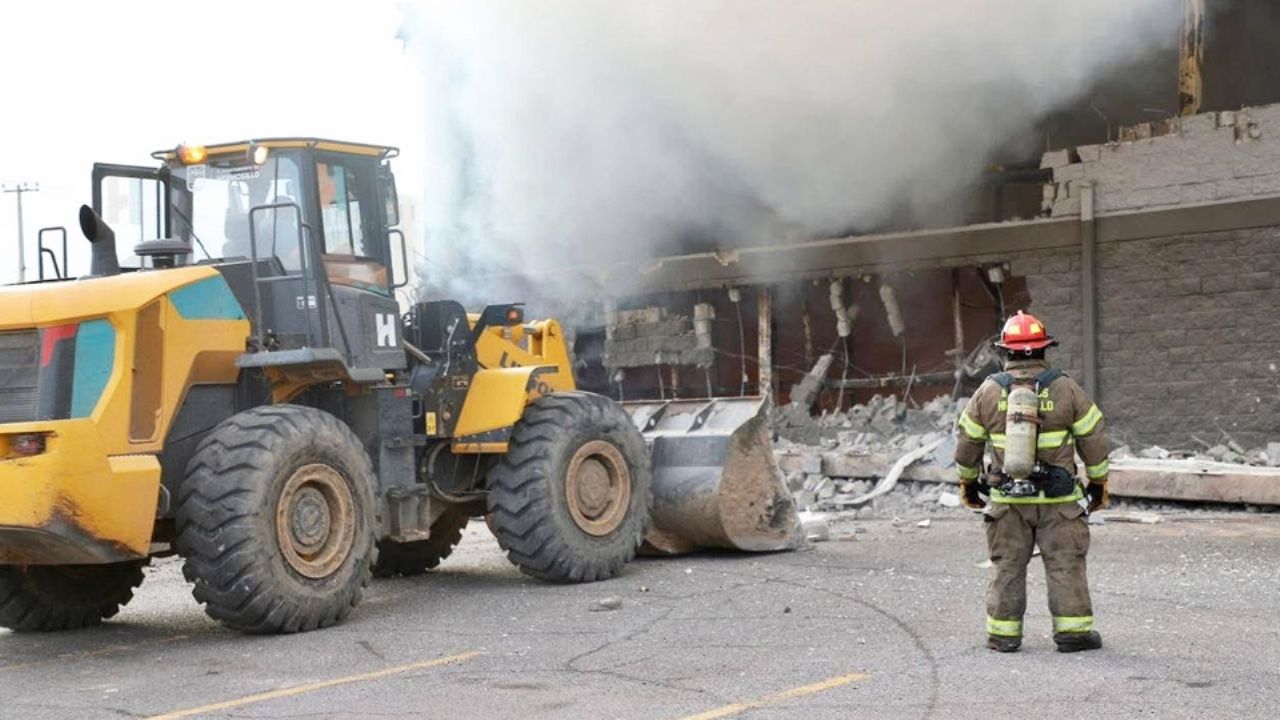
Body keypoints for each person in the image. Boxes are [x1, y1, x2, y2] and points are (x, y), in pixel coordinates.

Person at [954, 311, 1110, 653]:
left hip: (1007, 501)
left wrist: (968, 484)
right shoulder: (1066, 388)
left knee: (1007, 565)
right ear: (1043, 350)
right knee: (1065, 563)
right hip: (1059, 502)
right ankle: (1073, 634)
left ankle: (1003, 635)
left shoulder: (989, 391)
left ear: (1005, 351)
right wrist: (1098, 484)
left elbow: (967, 444)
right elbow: (1094, 438)